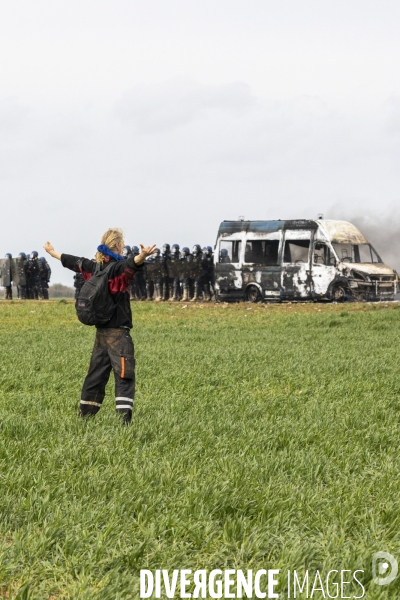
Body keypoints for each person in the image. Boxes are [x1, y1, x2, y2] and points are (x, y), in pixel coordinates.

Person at [43, 228, 156, 425]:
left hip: (101, 334)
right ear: (119, 245)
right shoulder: (117, 268)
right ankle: (124, 423)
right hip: (119, 334)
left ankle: (84, 419)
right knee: (124, 375)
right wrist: (142, 256)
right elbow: (131, 265)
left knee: (95, 375)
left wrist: (53, 253)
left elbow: (74, 261)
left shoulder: (93, 267)